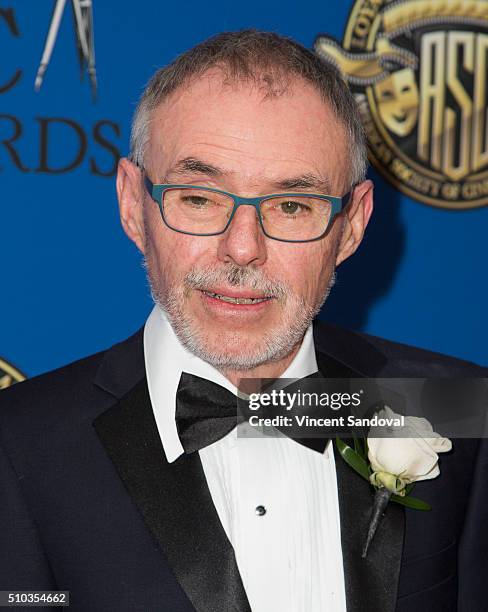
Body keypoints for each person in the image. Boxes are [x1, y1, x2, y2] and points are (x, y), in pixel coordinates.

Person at [0, 30, 486, 612]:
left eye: (292, 206)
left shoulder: (453, 409)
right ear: (133, 204)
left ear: (352, 224)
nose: (241, 249)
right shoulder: (16, 446)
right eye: (200, 198)